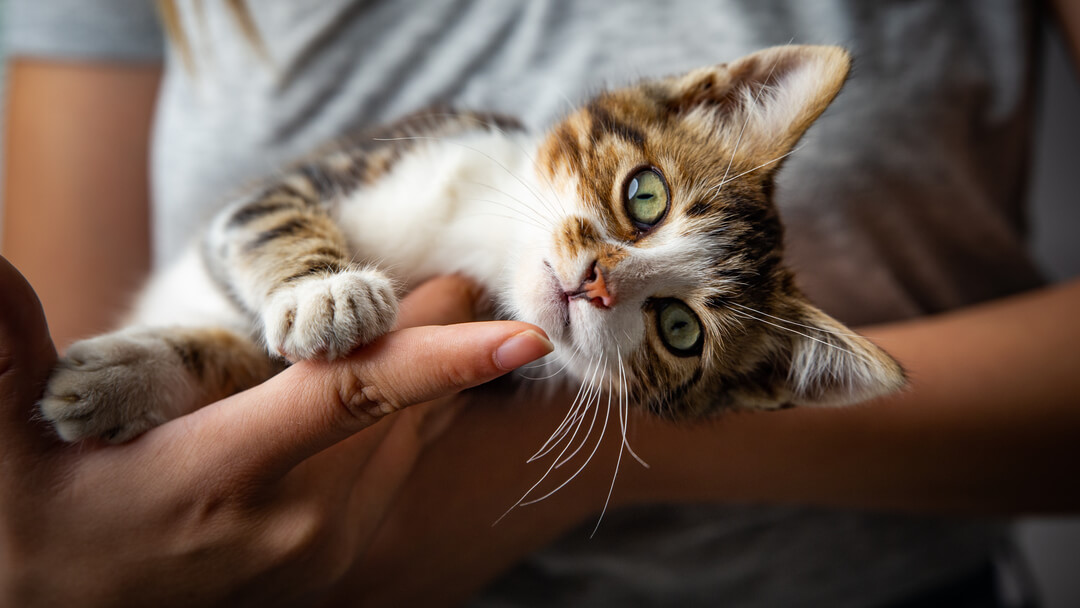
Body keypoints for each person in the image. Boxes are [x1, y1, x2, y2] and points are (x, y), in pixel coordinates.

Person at [2, 0, 1078, 606]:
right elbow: (66, 405)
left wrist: (509, 478)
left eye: (673, 323)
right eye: (645, 198)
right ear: (715, 96)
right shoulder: (456, 166)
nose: (610, 277)